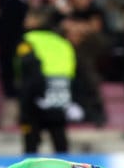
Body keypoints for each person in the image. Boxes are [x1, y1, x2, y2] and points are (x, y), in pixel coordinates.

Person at [15, 12, 79, 155]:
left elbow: (27, 69)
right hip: (60, 97)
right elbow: (72, 73)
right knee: (60, 140)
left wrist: (26, 99)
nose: (25, 20)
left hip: (35, 99)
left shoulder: (28, 40)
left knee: (31, 143)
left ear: (37, 21)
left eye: (29, 17)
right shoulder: (64, 43)